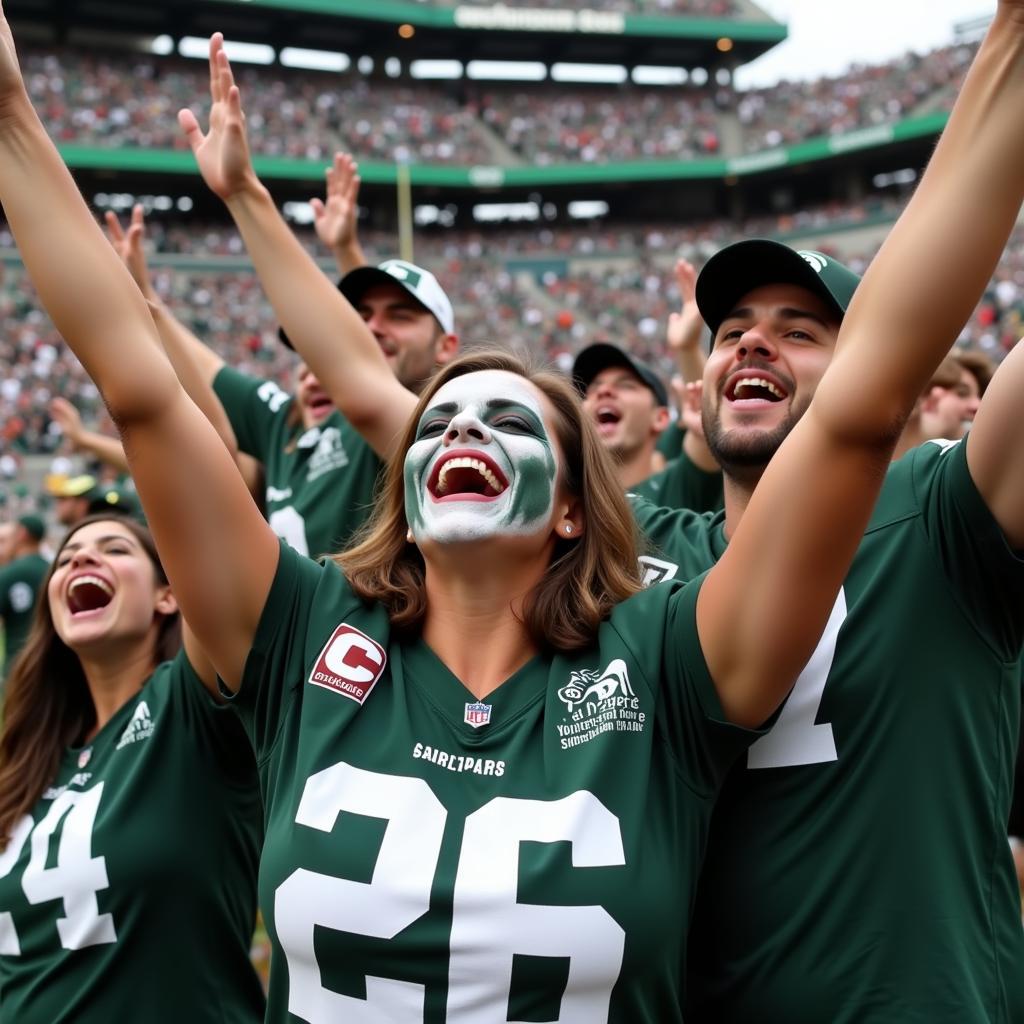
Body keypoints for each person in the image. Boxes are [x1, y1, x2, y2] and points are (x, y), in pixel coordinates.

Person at [0, 15, 999, 1019]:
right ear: (403, 483)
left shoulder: (659, 655)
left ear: (571, 508)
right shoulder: (300, 633)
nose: (462, 432)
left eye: (507, 419)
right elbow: (141, 391)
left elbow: (864, 400)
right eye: (439, 421)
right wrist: (9, 118)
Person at [629, 31, 1024, 1013]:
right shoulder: (640, 547)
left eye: (799, 330)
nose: (752, 340)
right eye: (730, 333)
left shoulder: (941, 514)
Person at [0, 515, 265, 1022]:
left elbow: (208, 524)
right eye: (68, 554)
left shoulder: (193, 707)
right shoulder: (32, 759)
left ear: (170, 596)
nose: (80, 556)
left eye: (115, 549)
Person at [0, 514, 47, 677]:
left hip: (17, 666)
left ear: (21, 534)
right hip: (53, 664)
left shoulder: (8, 573)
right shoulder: (54, 569)